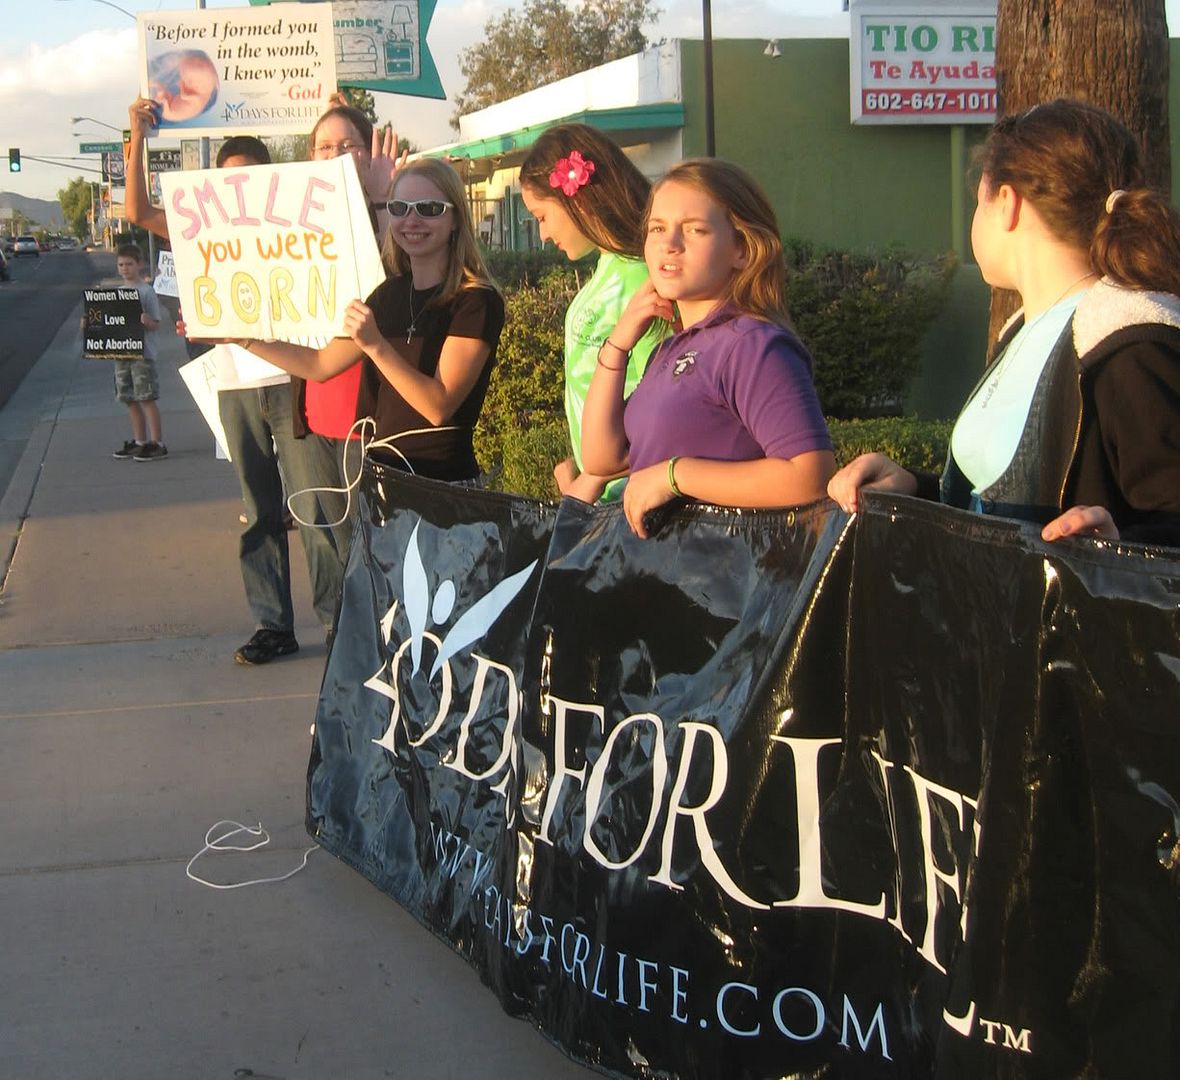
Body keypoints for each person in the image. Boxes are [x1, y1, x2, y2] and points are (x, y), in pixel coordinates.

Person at [827, 99, 1180, 546]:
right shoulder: (1021, 331)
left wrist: (1119, 549)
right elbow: (990, 511)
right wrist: (913, 487)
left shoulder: (1131, 346)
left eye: (979, 202)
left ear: (1007, 203)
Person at [125, 98, 347, 665]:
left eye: (248, 180)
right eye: (227, 183)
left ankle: (340, 623)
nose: (236, 191)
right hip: (234, 381)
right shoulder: (200, 226)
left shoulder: (293, 215)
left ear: (269, 179)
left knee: (316, 508)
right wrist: (137, 135)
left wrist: (334, 124)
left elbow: (340, 199)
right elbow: (136, 211)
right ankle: (272, 625)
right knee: (258, 511)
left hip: (296, 377)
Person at [581, 159, 836, 539]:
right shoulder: (668, 350)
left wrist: (676, 475)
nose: (669, 244)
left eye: (694, 230)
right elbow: (602, 458)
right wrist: (619, 343)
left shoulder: (752, 344)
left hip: (728, 582)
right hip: (669, 576)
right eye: (658, 228)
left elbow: (810, 476)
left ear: (743, 251)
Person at [225, 157, 504, 483]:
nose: (411, 220)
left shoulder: (476, 301)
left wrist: (376, 345)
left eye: (428, 208)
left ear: (456, 217)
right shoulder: (388, 295)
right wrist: (242, 338)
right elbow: (319, 364)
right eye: (400, 208)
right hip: (383, 478)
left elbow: (437, 406)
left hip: (443, 488)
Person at [519, 124, 664, 502]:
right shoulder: (610, 269)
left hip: (636, 506)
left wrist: (593, 479)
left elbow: (671, 411)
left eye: (541, 217)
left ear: (576, 199)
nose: (543, 236)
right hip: (603, 498)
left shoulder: (647, 281)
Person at [98, 242, 166, 462]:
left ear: (140, 265)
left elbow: (156, 323)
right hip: (122, 352)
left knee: (146, 397)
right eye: (121, 264)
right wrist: (91, 325)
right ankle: (140, 441)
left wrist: (148, 321)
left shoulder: (146, 292)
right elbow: (109, 323)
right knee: (129, 398)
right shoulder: (117, 293)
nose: (125, 268)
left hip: (143, 353)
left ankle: (157, 442)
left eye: (129, 264)